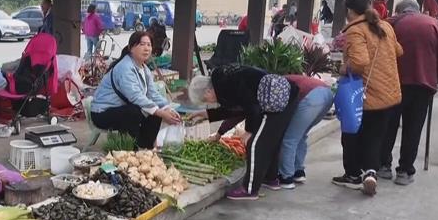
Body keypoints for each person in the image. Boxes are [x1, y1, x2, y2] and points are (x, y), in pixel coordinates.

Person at [188, 65, 299, 200]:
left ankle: (249, 190)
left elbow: (251, 107)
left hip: (276, 100)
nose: (209, 102)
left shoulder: (228, 85)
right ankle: (270, 179)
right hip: (284, 99)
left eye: (206, 101)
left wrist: (249, 131)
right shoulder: (225, 80)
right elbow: (236, 111)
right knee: (269, 141)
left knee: (254, 144)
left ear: (208, 92)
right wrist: (208, 116)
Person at [332, 0, 403, 196]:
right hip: (388, 93)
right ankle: (370, 173)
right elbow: (398, 51)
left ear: (350, 10)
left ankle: (353, 175)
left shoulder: (356, 31)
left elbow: (360, 62)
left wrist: (344, 68)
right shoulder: (386, 26)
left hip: (365, 93)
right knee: (374, 137)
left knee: (351, 133)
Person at [379, 0, 438, 185]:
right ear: (417, 9)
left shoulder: (391, 24)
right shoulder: (435, 24)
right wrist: (436, 77)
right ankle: (404, 171)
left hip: (393, 83)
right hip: (423, 84)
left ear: (399, 10)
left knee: (388, 125)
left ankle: (383, 166)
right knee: (413, 128)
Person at [90, 31, 180, 149]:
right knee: (134, 111)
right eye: (142, 44)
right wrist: (162, 113)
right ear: (131, 48)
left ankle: (146, 147)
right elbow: (136, 97)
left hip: (121, 110)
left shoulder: (144, 68)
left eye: (149, 45)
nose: (146, 48)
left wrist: (168, 109)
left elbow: (153, 94)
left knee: (154, 112)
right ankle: (132, 149)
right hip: (102, 113)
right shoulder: (125, 68)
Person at [277, 74, 334, 188]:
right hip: (327, 96)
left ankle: (286, 177)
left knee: (290, 139)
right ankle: (298, 171)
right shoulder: (288, 78)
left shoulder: (274, 83)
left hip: (312, 98)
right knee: (301, 135)